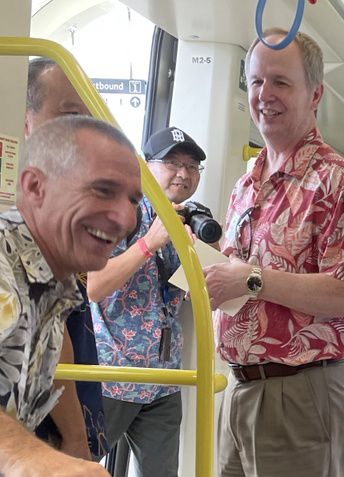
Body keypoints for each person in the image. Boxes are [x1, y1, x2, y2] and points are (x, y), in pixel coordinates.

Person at [203, 28, 344, 477]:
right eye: (257, 81)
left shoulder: (338, 182)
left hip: (301, 391)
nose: (265, 94)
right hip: (239, 389)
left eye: (281, 82)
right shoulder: (247, 185)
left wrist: (250, 280)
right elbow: (235, 268)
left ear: (315, 93)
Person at [0, 115, 141, 476]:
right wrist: (27, 457)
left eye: (132, 199)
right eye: (103, 190)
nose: (125, 217)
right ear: (35, 187)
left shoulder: (54, 283)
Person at [87, 126, 207, 477]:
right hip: (115, 375)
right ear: (145, 166)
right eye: (172, 163)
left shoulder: (190, 221)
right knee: (74, 467)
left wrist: (197, 257)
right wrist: (149, 244)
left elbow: (193, 294)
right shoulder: (119, 212)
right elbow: (95, 286)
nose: (183, 173)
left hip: (165, 380)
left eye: (192, 166)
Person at [25, 57, 109, 462]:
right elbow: (48, 339)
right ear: (26, 120)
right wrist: (76, 439)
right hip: (44, 431)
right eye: (69, 114)